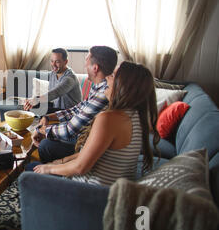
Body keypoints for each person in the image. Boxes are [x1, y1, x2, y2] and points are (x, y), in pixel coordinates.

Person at [30, 61, 160, 185]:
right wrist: (61, 161)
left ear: (123, 86)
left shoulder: (109, 118)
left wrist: (48, 169)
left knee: (31, 169)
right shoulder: (137, 116)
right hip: (112, 187)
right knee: (42, 164)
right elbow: (90, 154)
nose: (108, 77)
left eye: (113, 75)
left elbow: (80, 167)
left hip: (90, 191)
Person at [32, 46, 118, 163]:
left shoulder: (103, 94)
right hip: (79, 133)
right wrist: (49, 117)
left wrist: (41, 130)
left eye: (86, 61)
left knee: (45, 145)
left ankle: (51, 174)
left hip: (83, 142)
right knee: (48, 136)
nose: (84, 66)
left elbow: (70, 130)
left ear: (95, 68)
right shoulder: (99, 87)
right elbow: (77, 109)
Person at [23, 48, 82, 114]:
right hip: (57, 109)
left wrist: (36, 99)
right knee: (30, 106)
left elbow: (55, 93)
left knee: (37, 107)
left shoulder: (70, 78)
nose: (53, 65)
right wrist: (31, 101)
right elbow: (50, 97)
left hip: (70, 112)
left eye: (57, 62)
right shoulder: (53, 74)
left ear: (65, 62)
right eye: (52, 61)